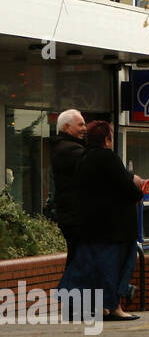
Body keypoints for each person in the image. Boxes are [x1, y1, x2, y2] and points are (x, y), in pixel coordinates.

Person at [72, 121, 145, 320]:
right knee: (119, 266)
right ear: (106, 139)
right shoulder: (107, 157)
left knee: (100, 270)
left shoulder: (84, 158)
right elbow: (127, 187)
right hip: (116, 228)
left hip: (92, 227)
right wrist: (138, 189)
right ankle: (115, 308)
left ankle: (102, 308)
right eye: (110, 136)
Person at [50, 109, 87, 260]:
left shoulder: (65, 147)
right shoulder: (70, 150)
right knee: (78, 261)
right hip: (75, 217)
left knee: (77, 260)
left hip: (72, 216)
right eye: (80, 125)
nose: (84, 128)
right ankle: (70, 284)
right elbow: (97, 166)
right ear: (66, 127)